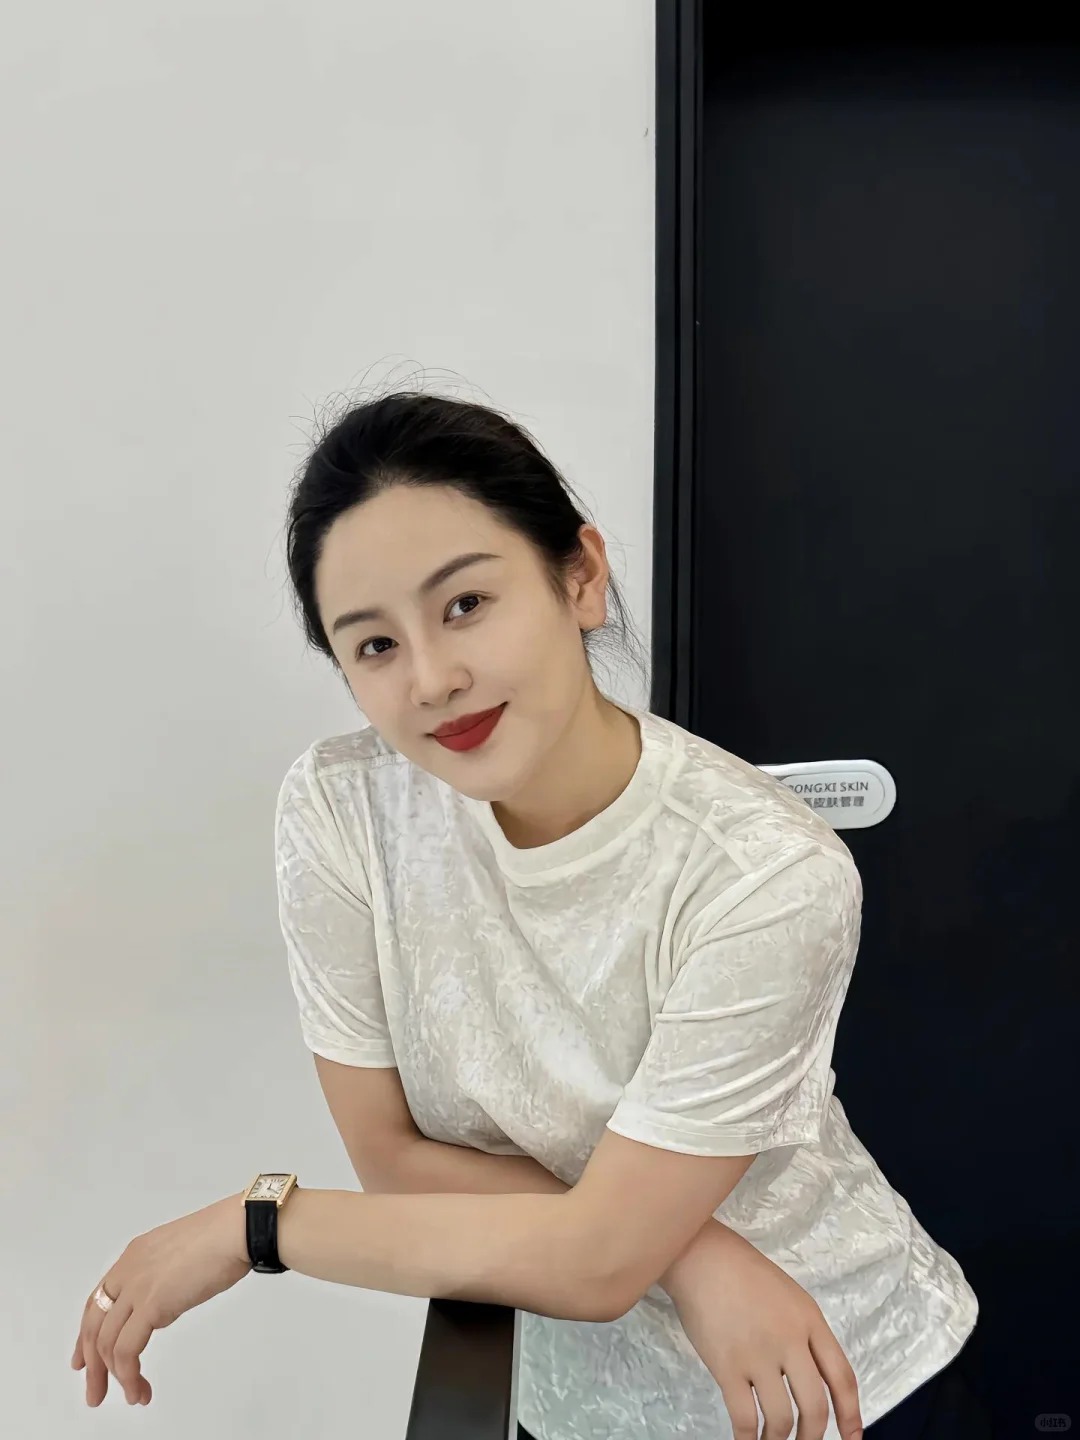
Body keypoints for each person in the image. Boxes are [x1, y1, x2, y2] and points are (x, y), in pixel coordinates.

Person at [71, 392, 983, 1439]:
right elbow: (393, 1163)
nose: (433, 679)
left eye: (466, 604)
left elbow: (599, 1264)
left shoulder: (764, 871)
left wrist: (260, 1224)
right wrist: (689, 1250)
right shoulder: (343, 810)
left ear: (580, 577)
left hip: (830, 1382)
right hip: (563, 1392)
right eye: (374, 646)